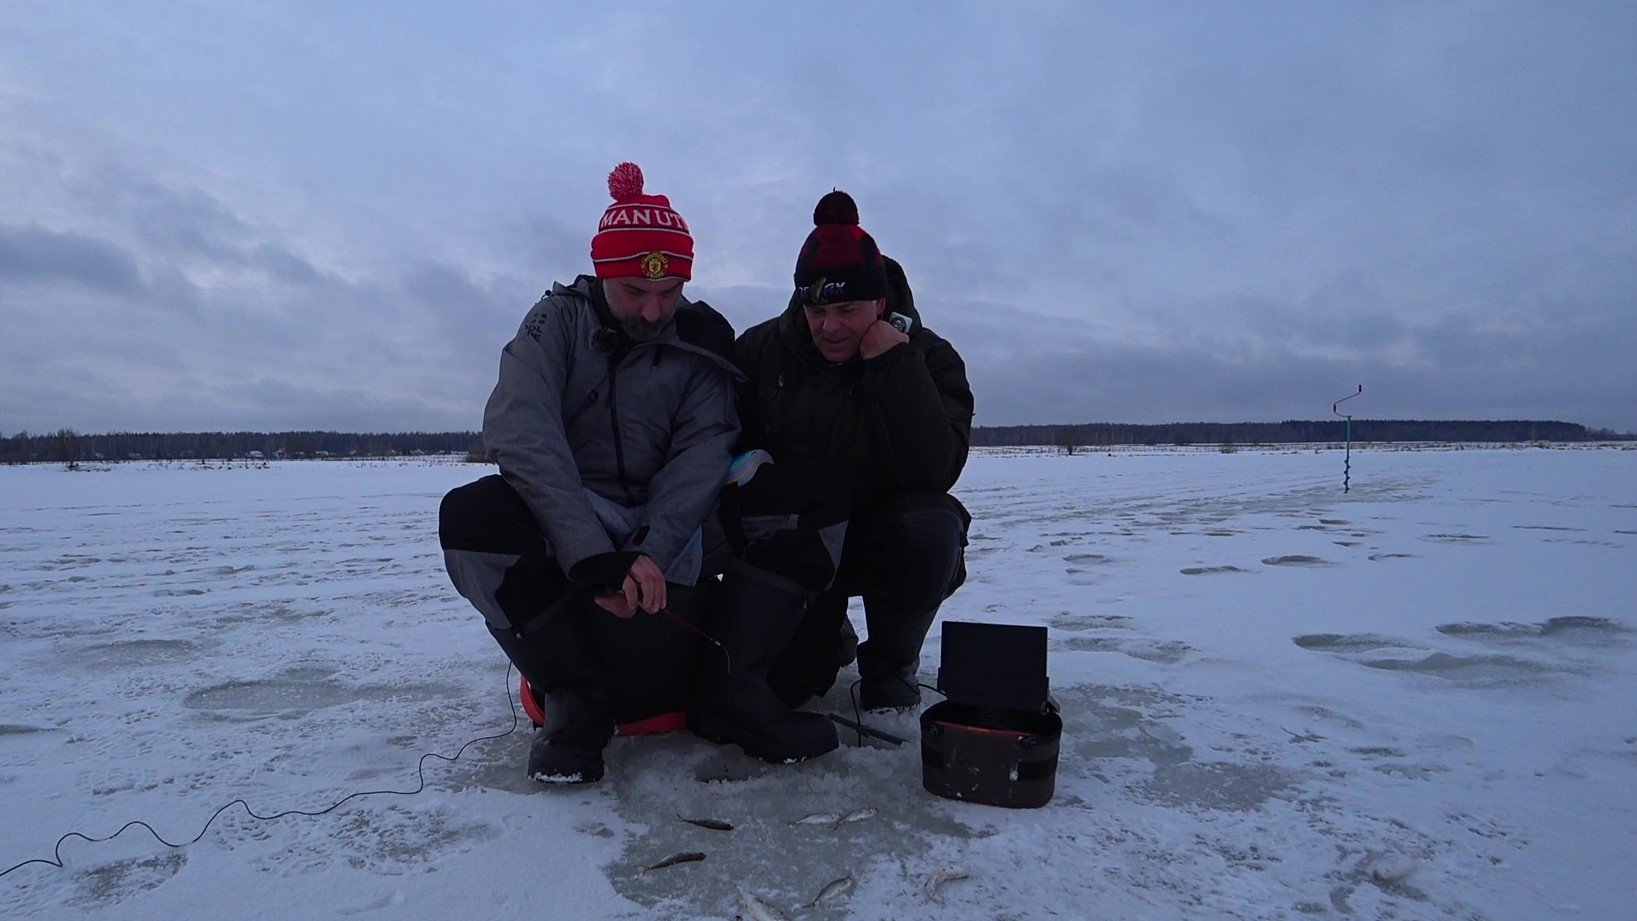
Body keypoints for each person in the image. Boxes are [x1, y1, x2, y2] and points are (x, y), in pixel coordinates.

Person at [438, 162, 741, 784]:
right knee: (473, 519)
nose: (655, 310)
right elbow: (522, 432)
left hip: (674, 530)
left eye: (670, 291)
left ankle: (746, 681)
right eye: (636, 291)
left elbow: (702, 455)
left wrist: (652, 548)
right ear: (603, 274)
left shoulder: (703, 338)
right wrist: (589, 552)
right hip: (579, 515)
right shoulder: (555, 323)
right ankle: (576, 698)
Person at [731, 190, 974, 714]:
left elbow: (935, 471)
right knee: (787, 689)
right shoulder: (760, 350)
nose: (831, 326)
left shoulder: (931, 359)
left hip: (878, 541)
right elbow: (722, 442)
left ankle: (890, 666)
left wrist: (893, 369)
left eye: (847, 309)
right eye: (817, 309)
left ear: (880, 304)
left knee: (931, 527)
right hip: (797, 542)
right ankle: (819, 628)